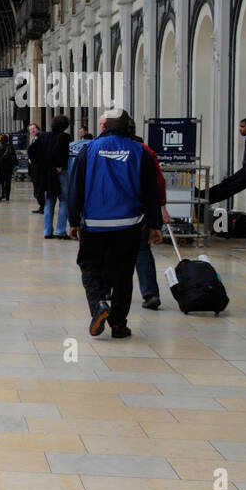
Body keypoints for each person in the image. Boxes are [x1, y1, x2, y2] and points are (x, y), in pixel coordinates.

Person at [67, 108, 164, 339]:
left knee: (89, 265)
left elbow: (76, 188)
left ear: (104, 127)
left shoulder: (88, 150)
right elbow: (151, 192)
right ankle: (119, 325)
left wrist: (73, 220)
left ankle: (99, 302)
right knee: (123, 273)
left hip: (95, 223)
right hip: (130, 224)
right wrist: (155, 224)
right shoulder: (141, 152)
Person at [122, 115, 170, 311]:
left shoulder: (105, 149)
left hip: (116, 209)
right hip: (141, 210)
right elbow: (158, 183)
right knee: (142, 250)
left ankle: (107, 289)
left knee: (112, 251)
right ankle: (150, 293)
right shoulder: (146, 151)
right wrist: (160, 211)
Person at [205, 118, 246, 206]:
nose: (240, 129)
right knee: (226, 182)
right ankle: (203, 194)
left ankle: (206, 198)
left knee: (229, 188)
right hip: (245, 169)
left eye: (242, 127)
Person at [43, 115, 73, 240]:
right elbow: (62, 152)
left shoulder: (45, 136)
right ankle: (60, 230)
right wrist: (59, 165)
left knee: (49, 201)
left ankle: (47, 230)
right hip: (61, 172)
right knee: (64, 201)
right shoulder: (64, 137)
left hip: (49, 173)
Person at [27, 122, 47, 213]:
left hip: (39, 167)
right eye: (31, 130)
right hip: (35, 167)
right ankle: (41, 205)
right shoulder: (35, 139)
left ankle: (43, 205)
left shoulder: (39, 138)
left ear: (38, 129)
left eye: (34, 129)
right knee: (38, 187)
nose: (32, 131)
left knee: (39, 187)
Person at [0, 136, 17, 200]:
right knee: (8, 182)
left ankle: (2, 194)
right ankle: (7, 196)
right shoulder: (11, 147)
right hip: (9, 167)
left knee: (1, 181)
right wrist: (16, 164)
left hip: (0, 167)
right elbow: (15, 156)